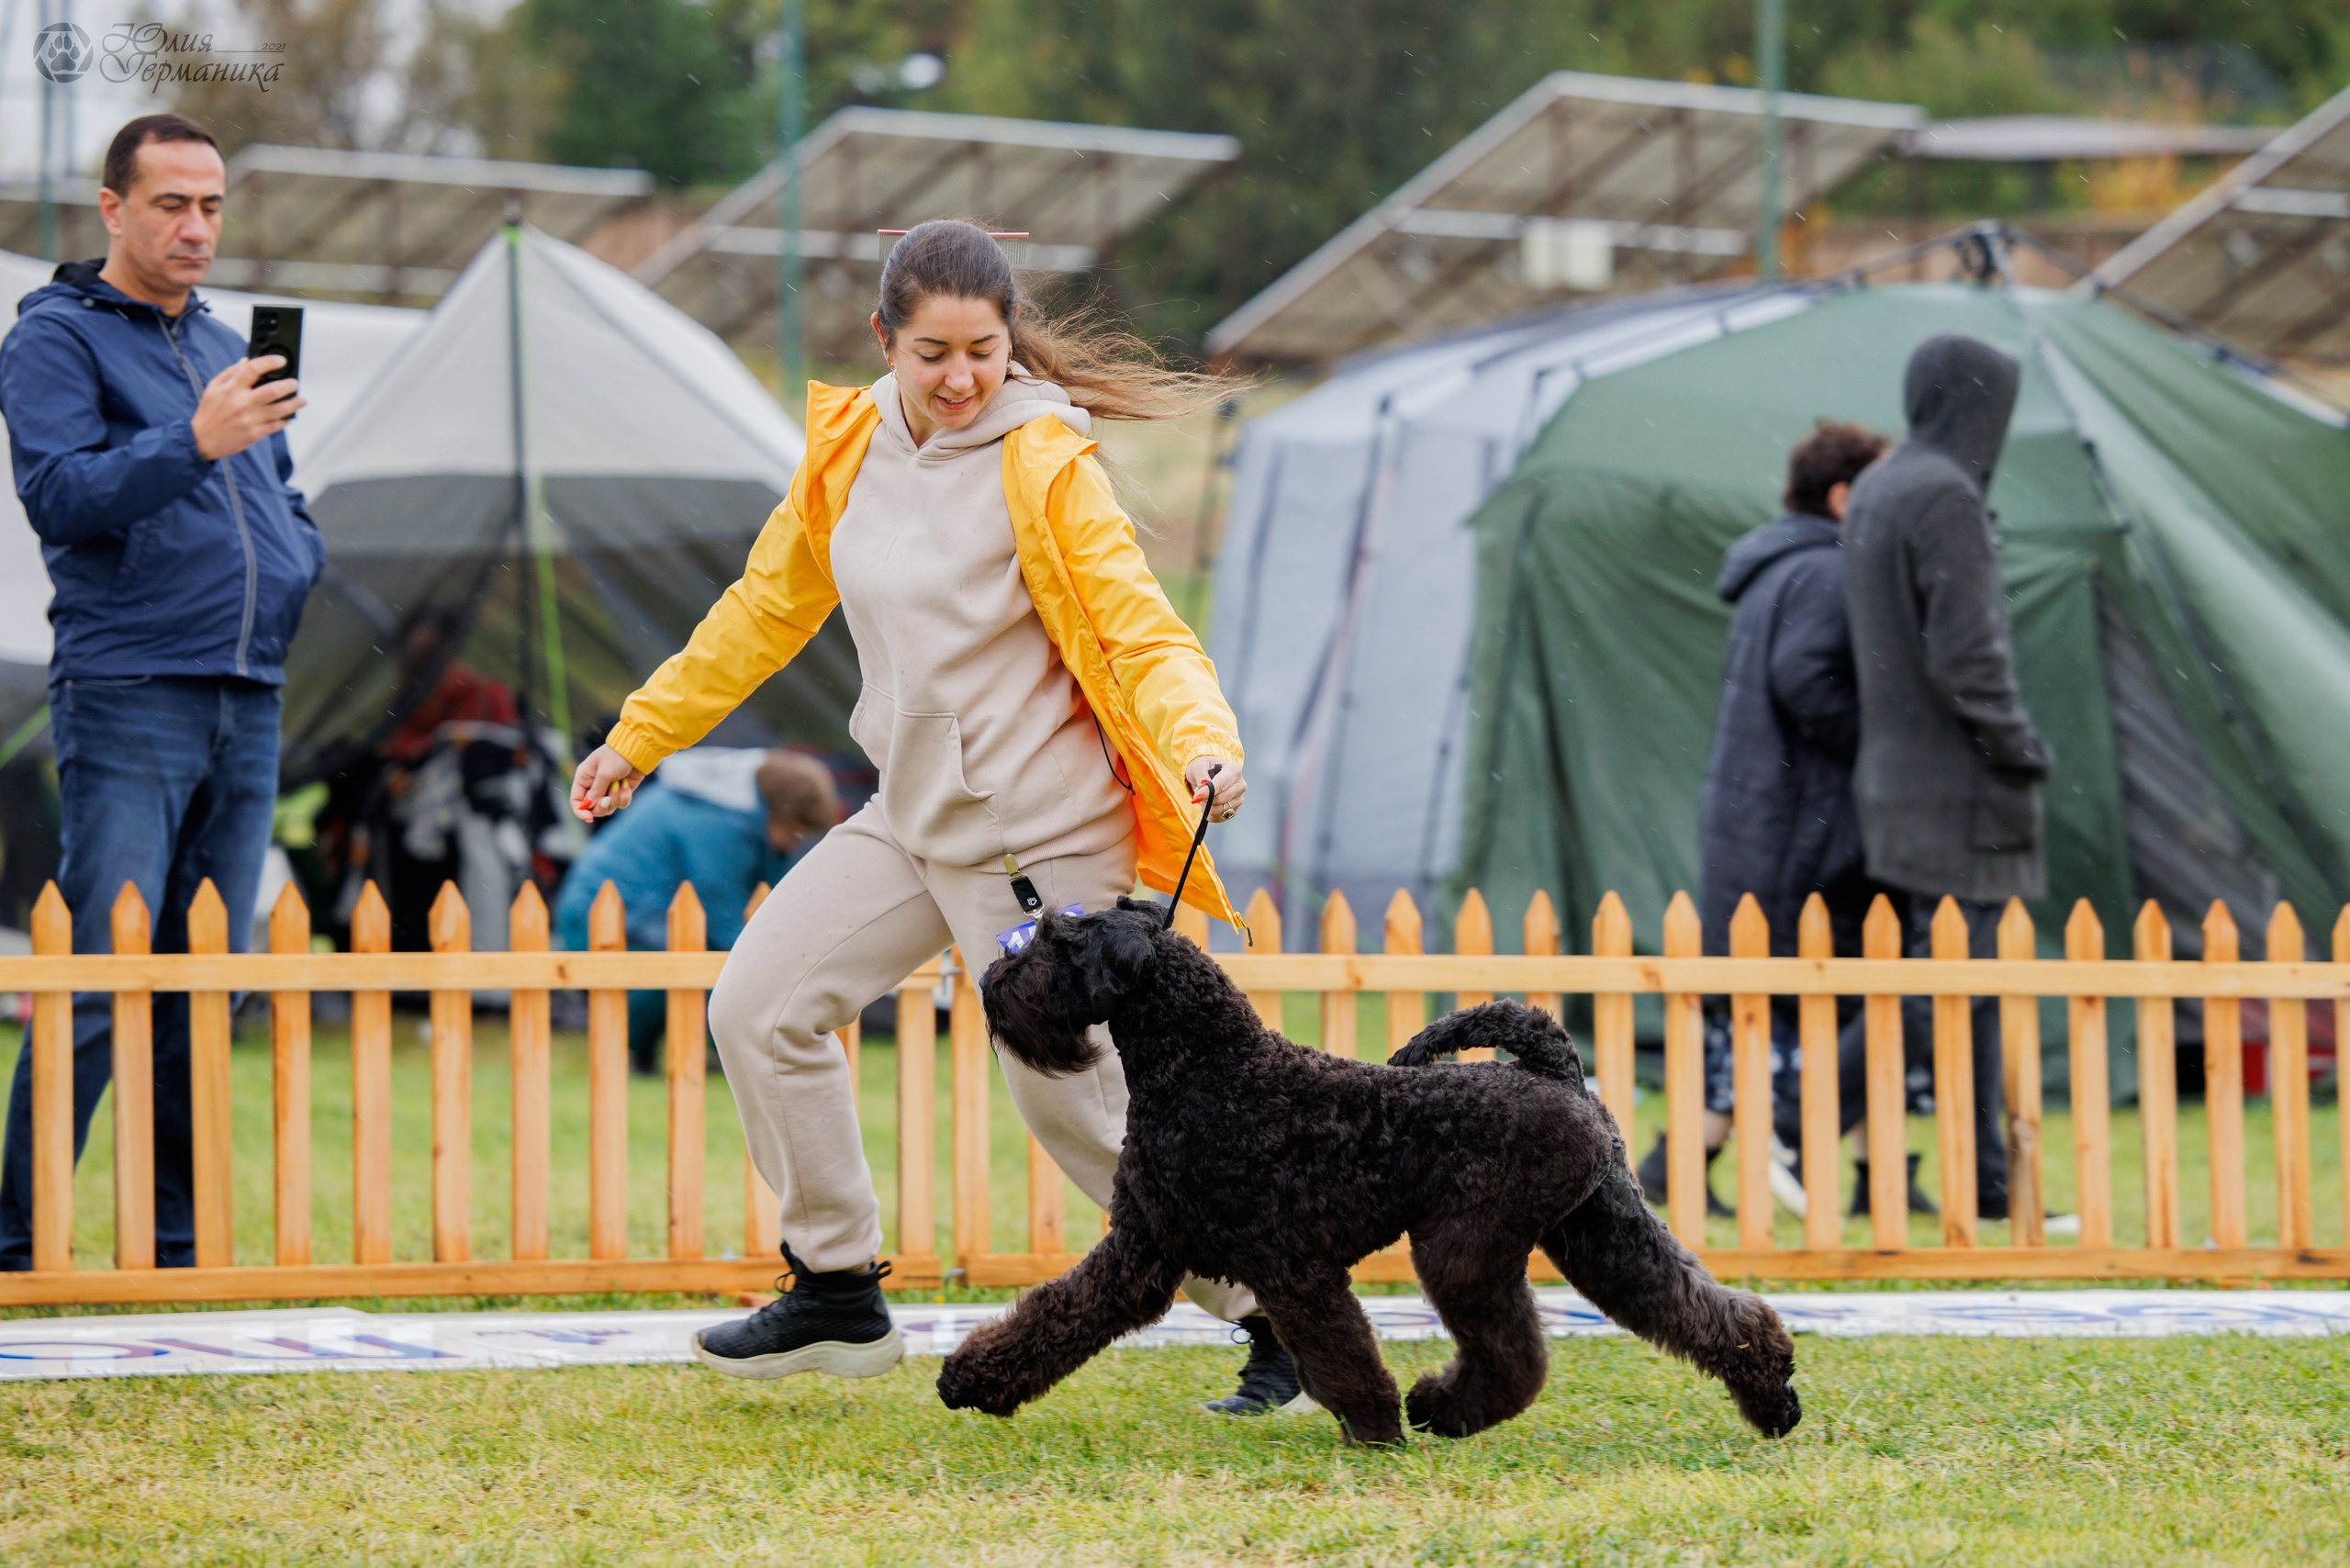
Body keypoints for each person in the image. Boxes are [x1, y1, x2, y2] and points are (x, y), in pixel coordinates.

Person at [567, 221, 1296, 1416]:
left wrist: (1204, 740)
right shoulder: (850, 443)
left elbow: (1139, 629)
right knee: (760, 1005)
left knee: (1073, 1103)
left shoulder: (1047, 461)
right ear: (883, 343)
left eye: (985, 351)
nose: (962, 379)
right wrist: (640, 734)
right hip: (910, 817)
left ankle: (1280, 1307)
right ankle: (839, 1293)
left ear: (1012, 343)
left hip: (1040, 834)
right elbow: (764, 607)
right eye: (933, 354)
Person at [0, 114, 318, 1270]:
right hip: (130, 685)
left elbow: (281, 490)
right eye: (172, 203)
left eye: (213, 205)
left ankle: (176, 1246)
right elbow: (59, 496)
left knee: (206, 982)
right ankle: (19, 1244)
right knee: (97, 975)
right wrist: (193, 438)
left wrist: (299, 559)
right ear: (112, 208)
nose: (197, 227)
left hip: (250, 686)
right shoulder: (53, 340)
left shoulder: (227, 340)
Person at [1841, 332, 2054, 1224]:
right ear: (1979, 405)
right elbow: (1970, 659)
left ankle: (1987, 1178)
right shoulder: (1946, 496)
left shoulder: (1883, 485)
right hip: (1959, 784)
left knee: (1946, 981)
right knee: (1947, 984)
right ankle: (1773, 1115)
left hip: (1896, 777)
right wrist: (2021, 746)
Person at [1651, 422, 1886, 1218]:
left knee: (1771, 1014)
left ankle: (1869, 1173)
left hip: (1761, 826)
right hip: (1798, 834)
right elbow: (1806, 678)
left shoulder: (1777, 568)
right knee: (1799, 1012)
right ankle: (1686, 1160)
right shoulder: (1825, 571)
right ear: (1845, 494)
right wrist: (1883, 743)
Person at [554, 748, 842, 1072]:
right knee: (690, 970)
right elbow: (721, 909)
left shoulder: (736, 812)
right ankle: (628, 1050)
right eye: (797, 830)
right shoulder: (717, 822)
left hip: (643, 916)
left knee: (710, 966)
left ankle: (670, 1053)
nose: (795, 842)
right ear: (781, 812)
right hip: (604, 920)